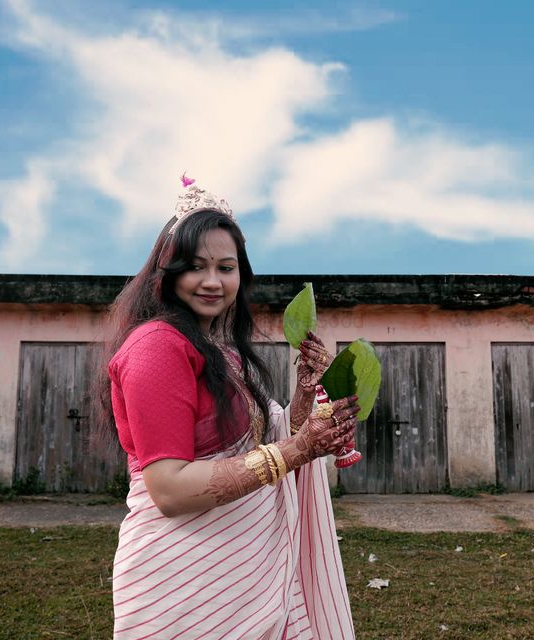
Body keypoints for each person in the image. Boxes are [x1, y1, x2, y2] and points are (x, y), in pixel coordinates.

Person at [95, 177, 360, 639]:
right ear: (168, 272)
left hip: (244, 570)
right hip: (186, 583)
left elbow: (261, 439)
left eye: (226, 267)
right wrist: (300, 449)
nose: (213, 282)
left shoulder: (224, 350)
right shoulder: (157, 347)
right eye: (196, 267)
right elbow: (170, 489)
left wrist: (304, 396)